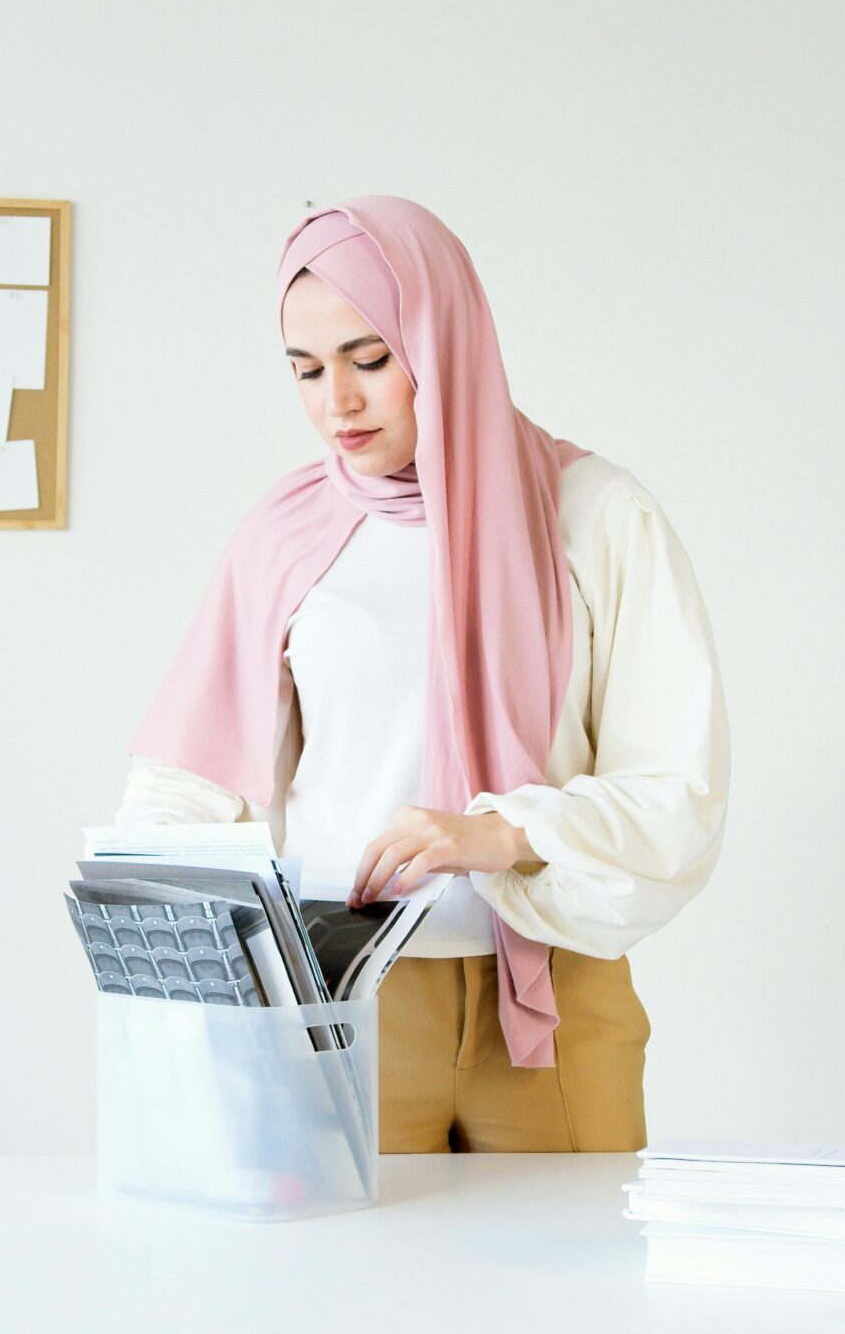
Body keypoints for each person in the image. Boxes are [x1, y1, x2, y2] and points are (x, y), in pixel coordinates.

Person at [118, 195, 728, 1153]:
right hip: (336, 1002)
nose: (337, 402)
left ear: (444, 342)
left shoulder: (596, 514)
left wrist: (500, 831)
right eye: (306, 370)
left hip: (555, 1002)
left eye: (369, 360)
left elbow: (678, 792)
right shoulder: (283, 534)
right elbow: (190, 785)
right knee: (348, 1300)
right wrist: (163, 944)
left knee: (571, 1298)